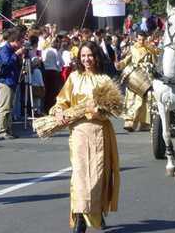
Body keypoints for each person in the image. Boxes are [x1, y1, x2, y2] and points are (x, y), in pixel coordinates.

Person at [51, 41, 120, 232]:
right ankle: (80, 218)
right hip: (79, 132)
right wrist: (59, 112)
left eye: (89, 55)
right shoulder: (73, 77)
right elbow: (61, 101)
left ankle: (96, 212)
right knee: (80, 176)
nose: (86, 59)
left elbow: (112, 110)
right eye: (83, 56)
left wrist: (96, 111)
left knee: (97, 176)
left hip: (99, 133)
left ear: (96, 56)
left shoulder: (105, 80)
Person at [116, 31, 158, 132]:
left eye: (143, 39)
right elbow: (126, 60)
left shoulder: (150, 49)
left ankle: (145, 123)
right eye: (139, 39)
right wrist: (119, 65)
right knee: (132, 97)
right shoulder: (132, 48)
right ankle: (130, 121)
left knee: (147, 98)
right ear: (136, 39)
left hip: (146, 75)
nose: (141, 41)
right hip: (134, 74)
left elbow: (155, 62)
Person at [0, 28, 24, 140]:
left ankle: (8, 129)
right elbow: (6, 63)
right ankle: (2, 131)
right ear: (15, 40)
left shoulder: (10, 50)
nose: (21, 44)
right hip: (5, 81)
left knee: (9, 107)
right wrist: (16, 54)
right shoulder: (4, 49)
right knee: (4, 107)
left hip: (11, 81)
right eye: (20, 41)